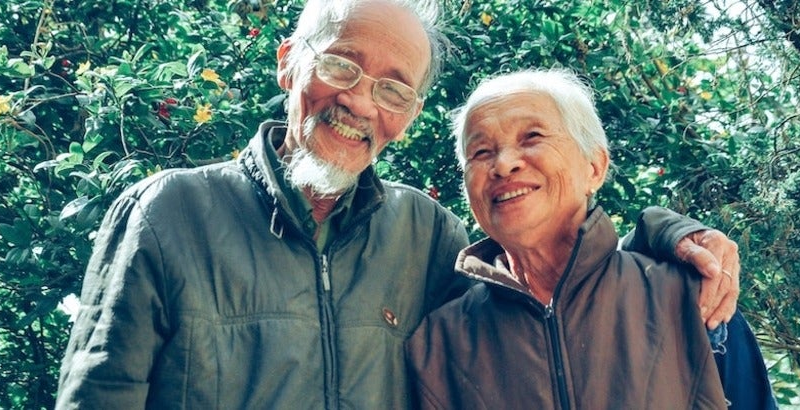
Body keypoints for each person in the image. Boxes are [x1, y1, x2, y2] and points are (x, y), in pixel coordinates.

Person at [55, 1, 743, 408]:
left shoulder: (425, 235)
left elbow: (556, 301)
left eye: (393, 88)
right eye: (342, 65)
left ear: (409, 114)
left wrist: (667, 234)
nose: (359, 101)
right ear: (290, 62)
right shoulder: (169, 212)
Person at [405, 69, 776, 409]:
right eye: (481, 152)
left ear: (594, 167)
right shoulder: (438, 344)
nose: (503, 164)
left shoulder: (690, 297)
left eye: (532, 137)